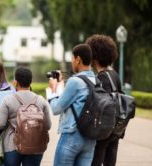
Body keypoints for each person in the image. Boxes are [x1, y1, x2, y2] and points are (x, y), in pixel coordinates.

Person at [47, 44, 96, 165]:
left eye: (72, 59)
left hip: (72, 135)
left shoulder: (75, 81)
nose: (72, 62)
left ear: (78, 59)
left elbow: (56, 108)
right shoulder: (97, 80)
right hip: (90, 139)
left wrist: (53, 90)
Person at [0, 67, 51, 166]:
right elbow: (48, 125)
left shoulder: (8, 100)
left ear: (15, 82)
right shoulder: (41, 100)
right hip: (36, 145)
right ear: (31, 82)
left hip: (12, 146)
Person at [86, 34, 122, 166]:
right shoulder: (114, 74)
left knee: (95, 161)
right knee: (110, 161)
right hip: (116, 127)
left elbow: (100, 105)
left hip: (104, 129)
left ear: (94, 57)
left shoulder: (101, 78)